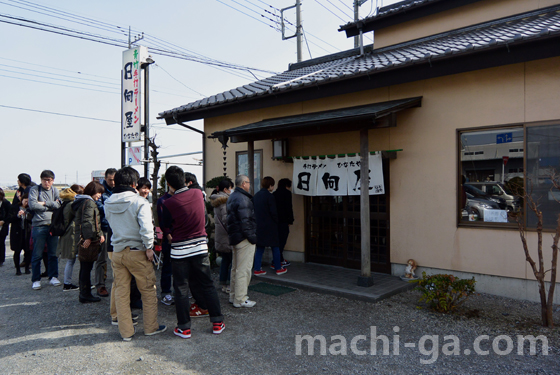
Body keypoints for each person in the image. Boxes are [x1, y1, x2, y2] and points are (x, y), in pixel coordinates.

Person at [162, 166, 225, 338]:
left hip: (179, 251)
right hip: (200, 248)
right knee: (208, 284)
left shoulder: (168, 203)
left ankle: (184, 328)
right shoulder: (198, 194)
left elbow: (166, 224)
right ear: (184, 179)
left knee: (181, 288)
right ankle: (217, 322)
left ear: (169, 184)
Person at [105, 167, 166, 341]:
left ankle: (126, 332)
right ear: (134, 183)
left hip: (117, 251)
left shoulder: (108, 202)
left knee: (121, 291)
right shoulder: (140, 202)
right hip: (137, 251)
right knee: (147, 289)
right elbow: (147, 229)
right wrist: (149, 247)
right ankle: (151, 327)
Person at [226, 175, 257, 308]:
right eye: (249, 182)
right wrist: (252, 237)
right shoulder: (244, 199)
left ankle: (234, 295)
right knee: (243, 270)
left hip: (235, 237)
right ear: (244, 183)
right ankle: (240, 298)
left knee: (235, 269)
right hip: (244, 238)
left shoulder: (232, 197)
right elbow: (246, 222)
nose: (249, 185)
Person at [73, 181, 106, 303]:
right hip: (87, 239)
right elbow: (88, 222)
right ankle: (85, 294)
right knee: (86, 267)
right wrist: (89, 237)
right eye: (99, 193)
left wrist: (100, 234)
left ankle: (84, 293)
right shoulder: (89, 203)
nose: (100, 196)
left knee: (85, 267)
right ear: (93, 191)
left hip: (82, 237)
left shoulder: (82, 200)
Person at [28, 170, 61, 290]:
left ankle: (53, 276)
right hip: (38, 225)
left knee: (53, 253)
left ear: (53, 181)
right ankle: (36, 279)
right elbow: (32, 205)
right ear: (41, 180)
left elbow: (59, 205)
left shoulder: (55, 190)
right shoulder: (35, 190)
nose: (47, 182)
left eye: (50, 180)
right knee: (37, 254)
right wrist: (51, 205)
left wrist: (43, 203)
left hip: (52, 225)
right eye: (45, 180)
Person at [253, 177, 287, 276]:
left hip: (259, 225)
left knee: (260, 248)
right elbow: (274, 212)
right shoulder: (270, 196)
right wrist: (276, 221)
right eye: (273, 185)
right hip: (270, 225)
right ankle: (278, 268)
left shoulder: (256, 196)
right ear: (270, 186)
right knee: (275, 247)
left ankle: (257, 269)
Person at [94, 168, 116, 298]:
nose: (112, 182)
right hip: (104, 227)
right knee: (101, 258)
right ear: (106, 179)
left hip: (117, 227)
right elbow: (99, 207)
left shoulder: (119, 189)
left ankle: (117, 283)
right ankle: (100, 285)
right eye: (110, 180)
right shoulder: (100, 190)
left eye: (114, 180)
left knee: (117, 258)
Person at [56, 185, 83, 291]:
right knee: (71, 260)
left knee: (70, 260)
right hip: (71, 234)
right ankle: (67, 283)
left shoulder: (65, 202)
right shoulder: (72, 204)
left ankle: (68, 283)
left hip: (66, 233)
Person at [210, 178, 234, 292]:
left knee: (225, 260)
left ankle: (223, 283)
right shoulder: (225, 201)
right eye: (230, 188)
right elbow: (226, 219)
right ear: (225, 189)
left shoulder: (216, 200)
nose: (231, 190)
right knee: (231, 261)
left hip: (220, 236)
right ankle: (228, 285)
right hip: (226, 236)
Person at [156, 187, 174, 306]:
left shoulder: (181, 198)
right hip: (169, 238)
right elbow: (162, 221)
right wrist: (167, 235)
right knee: (167, 265)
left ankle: (180, 291)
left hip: (181, 236)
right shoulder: (163, 200)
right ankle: (166, 292)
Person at [8, 193, 32, 275]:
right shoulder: (14, 208)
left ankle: (27, 268)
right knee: (17, 251)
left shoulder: (30, 209)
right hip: (17, 232)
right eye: (25, 201)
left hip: (27, 232)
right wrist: (17, 215)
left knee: (28, 251)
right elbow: (9, 218)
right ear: (22, 200)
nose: (26, 203)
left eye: (28, 202)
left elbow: (33, 220)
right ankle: (17, 269)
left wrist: (27, 216)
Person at [273, 178, 294, 267]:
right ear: (286, 185)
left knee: (277, 241)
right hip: (284, 221)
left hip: (275, 221)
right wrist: (290, 220)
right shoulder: (287, 193)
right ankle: (276, 261)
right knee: (282, 241)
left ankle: (279, 259)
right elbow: (289, 207)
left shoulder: (274, 194)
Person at [0, 188, 11, 267]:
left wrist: (4, 221)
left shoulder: (6, 203)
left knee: (1, 243)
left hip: (2, 226)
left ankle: (1, 259)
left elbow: (10, 215)